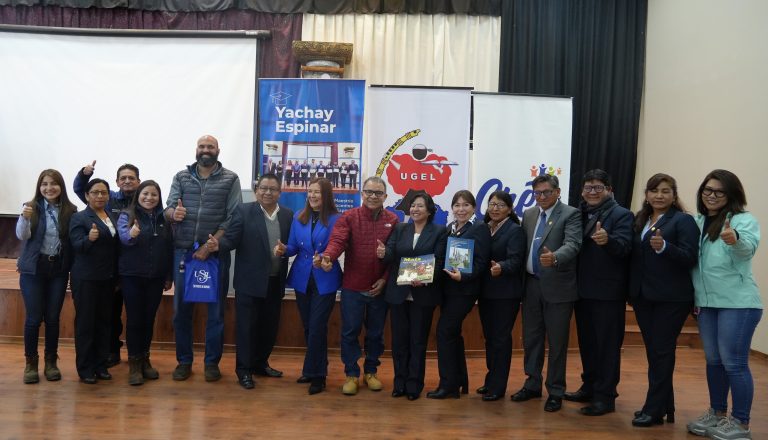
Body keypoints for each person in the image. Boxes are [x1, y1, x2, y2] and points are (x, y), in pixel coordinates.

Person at [686, 170, 762, 439]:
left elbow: (748, 248)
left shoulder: (742, 220)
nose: (712, 196)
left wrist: (736, 240)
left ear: (731, 195)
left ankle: (741, 423)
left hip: (738, 304)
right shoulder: (696, 221)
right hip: (707, 304)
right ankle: (717, 414)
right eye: (707, 190)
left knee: (734, 363)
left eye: (719, 191)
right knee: (714, 361)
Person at [165, 134, 242, 382]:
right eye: (201, 146)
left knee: (216, 312)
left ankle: (211, 363)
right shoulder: (181, 176)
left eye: (210, 146)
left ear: (218, 150)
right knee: (181, 312)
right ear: (196, 150)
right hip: (183, 253)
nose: (205, 150)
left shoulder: (231, 178)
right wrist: (172, 213)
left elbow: (233, 217)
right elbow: (167, 208)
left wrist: (211, 246)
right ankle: (184, 361)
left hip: (214, 254)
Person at [207, 173, 292, 389]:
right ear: (256, 190)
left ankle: (260, 364)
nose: (267, 192)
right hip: (249, 282)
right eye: (263, 188)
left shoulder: (288, 216)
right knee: (246, 329)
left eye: (272, 189)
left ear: (279, 192)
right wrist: (219, 245)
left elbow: (292, 247)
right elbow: (232, 238)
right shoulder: (244, 211)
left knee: (269, 327)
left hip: (275, 282)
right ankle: (243, 370)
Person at [629, 173, 699, 427]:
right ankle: (662, 405)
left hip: (671, 298)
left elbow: (690, 256)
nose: (659, 195)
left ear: (674, 195)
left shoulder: (683, 221)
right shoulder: (641, 220)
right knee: (656, 353)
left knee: (661, 351)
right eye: (654, 190)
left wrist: (665, 247)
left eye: (666, 191)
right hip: (643, 297)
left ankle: (654, 408)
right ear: (647, 194)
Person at [321, 176, 399, 395]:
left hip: (379, 289)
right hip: (353, 288)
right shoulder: (349, 217)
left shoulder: (393, 220)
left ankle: (371, 372)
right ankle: (352, 374)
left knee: (376, 334)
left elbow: (394, 255)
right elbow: (338, 241)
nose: (373, 196)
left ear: (385, 196)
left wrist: (384, 279)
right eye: (369, 192)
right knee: (349, 332)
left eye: (378, 193)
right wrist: (328, 256)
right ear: (361, 194)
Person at [564, 169, 633, 416]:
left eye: (598, 188)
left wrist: (608, 240)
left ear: (609, 190)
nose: (592, 192)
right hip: (582, 291)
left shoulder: (622, 214)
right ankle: (590, 386)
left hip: (607, 293)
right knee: (588, 344)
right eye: (588, 188)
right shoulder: (578, 213)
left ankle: (606, 397)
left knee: (607, 347)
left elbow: (625, 247)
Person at [511, 174, 581, 412]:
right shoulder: (529, 214)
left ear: (557, 191)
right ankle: (532, 384)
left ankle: (555, 390)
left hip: (559, 287)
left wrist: (556, 257)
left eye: (546, 192)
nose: (541, 197)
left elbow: (573, 244)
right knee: (531, 339)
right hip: (530, 285)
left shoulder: (570, 214)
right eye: (537, 193)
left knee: (558, 342)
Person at [277, 177, 342, 395]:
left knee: (317, 327)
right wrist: (283, 249)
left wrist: (324, 257)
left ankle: (318, 375)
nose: (313, 196)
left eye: (318, 192)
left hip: (325, 277)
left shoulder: (336, 219)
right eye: (310, 191)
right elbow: (294, 246)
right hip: (302, 277)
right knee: (308, 326)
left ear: (327, 196)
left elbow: (336, 245)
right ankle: (313, 368)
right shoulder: (299, 216)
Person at [380, 192, 447, 401]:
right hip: (398, 292)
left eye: (420, 206)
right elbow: (391, 253)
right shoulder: (400, 228)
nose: (415, 209)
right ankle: (399, 383)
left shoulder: (439, 231)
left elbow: (440, 259)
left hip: (423, 293)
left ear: (429, 210)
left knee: (418, 341)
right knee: (399, 341)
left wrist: (425, 277)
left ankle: (414, 385)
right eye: (412, 206)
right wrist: (383, 253)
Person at [74, 161, 141, 367]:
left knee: (119, 314)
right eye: (123, 178)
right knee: (108, 314)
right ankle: (110, 352)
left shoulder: (145, 198)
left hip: (129, 267)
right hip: (101, 270)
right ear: (117, 182)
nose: (127, 181)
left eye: (131, 178)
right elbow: (80, 188)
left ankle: (129, 356)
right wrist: (84, 175)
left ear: (138, 181)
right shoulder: (109, 199)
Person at [426, 190, 490, 399]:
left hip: (464, 290)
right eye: (457, 205)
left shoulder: (479, 228)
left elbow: (481, 262)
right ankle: (460, 380)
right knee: (452, 335)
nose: (461, 209)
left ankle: (448, 385)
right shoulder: (450, 228)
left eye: (466, 205)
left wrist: (463, 276)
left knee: (445, 332)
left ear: (473, 208)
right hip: (447, 289)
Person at [16, 169, 77, 384]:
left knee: (52, 318)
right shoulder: (30, 207)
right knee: (34, 318)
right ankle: (31, 363)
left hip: (58, 270)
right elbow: (22, 236)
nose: (49, 188)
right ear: (39, 187)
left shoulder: (71, 210)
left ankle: (51, 362)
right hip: (33, 269)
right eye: (44, 184)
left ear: (61, 186)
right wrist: (24, 219)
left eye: (54, 183)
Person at [116, 180, 174, 386]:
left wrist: (169, 276)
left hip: (156, 278)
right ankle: (134, 364)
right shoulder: (127, 215)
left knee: (149, 320)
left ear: (159, 198)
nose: (149, 198)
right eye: (145, 194)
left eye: (154, 195)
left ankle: (145, 360)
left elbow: (169, 249)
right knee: (135, 320)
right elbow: (123, 236)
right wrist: (131, 235)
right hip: (132, 276)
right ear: (138, 195)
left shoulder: (164, 219)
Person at [475, 190, 525, 401]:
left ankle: (498, 386)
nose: (495, 209)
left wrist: (502, 267)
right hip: (485, 292)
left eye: (500, 205)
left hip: (506, 294)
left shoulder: (515, 231)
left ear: (510, 209)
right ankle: (490, 380)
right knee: (490, 339)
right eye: (492, 204)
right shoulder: (484, 228)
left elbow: (516, 260)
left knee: (500, 340)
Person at [69, 178, 120, 384]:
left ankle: (100, 364)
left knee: (104, 323)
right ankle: (85, 368)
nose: (100, 196)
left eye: (104, 192)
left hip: (107, 279)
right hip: (86, 279)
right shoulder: (79, 218)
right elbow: (76, 246)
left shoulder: (111, 216)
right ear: (88, 195)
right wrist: (88, 239)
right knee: (86, 324)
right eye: (95, 192)